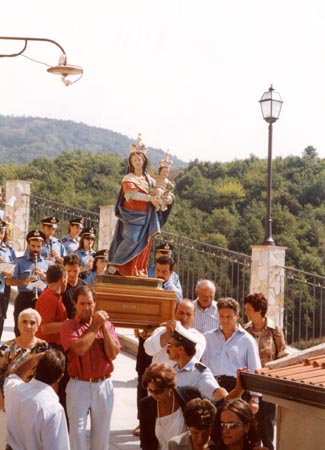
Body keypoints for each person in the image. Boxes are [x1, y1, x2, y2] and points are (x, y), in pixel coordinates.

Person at [60, 285, 121, 450]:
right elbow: (79, 349)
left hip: (103, 385)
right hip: (79, 385)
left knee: (101, 436)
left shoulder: (106, 325)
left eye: (90, 303)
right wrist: (95, 326)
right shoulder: (68, 326)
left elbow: (113, 354)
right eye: (82, 304)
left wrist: (104, 328)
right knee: (77, 434)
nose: (87, 308)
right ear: (74, 304)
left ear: (95, 304)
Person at [108, 134, 173, 276]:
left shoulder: (149, 179)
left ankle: (137, 269)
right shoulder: (128, 178)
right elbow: (131, 195)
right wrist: (149, 198)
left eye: (140, 159)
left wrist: (168, 198)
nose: (138, 162)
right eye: (135, 159)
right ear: (131, 162)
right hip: (132, 216)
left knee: (145, 243)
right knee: (132, 239)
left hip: (147, 216)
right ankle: (117, 264)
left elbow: (159, 191)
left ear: (144, 162)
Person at [244, 293, 289, 450]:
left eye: (249, 309)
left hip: (268, 385)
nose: (246, 312)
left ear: (258, 310)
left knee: (267, 424)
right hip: (250, 384)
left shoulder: (274, 330)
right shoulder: (245, 330)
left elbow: (283, 357)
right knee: (251, 424)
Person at [201, 298, 262, 413]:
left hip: (236, 389)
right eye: (221, 316)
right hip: (211, 388)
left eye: (229, 317)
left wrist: (255, 399)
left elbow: (255, 369)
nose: (225, 320)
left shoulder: (247, 340)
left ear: (237, 316)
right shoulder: (207, 338)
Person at [4, 348, 70, 450]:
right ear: (60, 377)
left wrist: (34, 359)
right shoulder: (53, 409)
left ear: (36, 368)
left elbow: (13, 376)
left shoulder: (14, 390)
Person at [167, 323, 243, 403]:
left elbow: (222, 397)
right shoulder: (174, 370)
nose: (167, 349)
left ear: (180, 349)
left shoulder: (200, 374)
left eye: (170, 345)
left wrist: (238, 390)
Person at [139, 362, 202, 450]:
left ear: (169, 386)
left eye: (157, 391)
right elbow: (146, 442)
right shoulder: (145, 405)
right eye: (150, 390)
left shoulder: (190, 396)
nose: (154, 395)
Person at [0, 308, 48, 410]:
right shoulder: (7, 347)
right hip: (9, 401)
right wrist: (1, 400)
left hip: (34, 403)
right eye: (24, 322)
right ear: (18, 325)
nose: (28, 326)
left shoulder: (44, 347)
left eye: (32, 323)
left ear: (37, 327)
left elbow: (48, 377)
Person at [7, 230, 53, 336]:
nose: (36, 249)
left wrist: (44, 276)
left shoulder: (48, 263)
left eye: (38, 246)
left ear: (42, 246)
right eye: (33, 246)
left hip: (42, 298)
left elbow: (55, 284)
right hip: (24, 298)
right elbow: (8, 281)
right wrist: (25, 281)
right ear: (28, 244)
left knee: (40, 331)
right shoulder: (19, 262)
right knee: (20, 331)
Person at [144, 299, 205, 365]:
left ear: (193, 316)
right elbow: (149, 350)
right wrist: (167, 333)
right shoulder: (162, 330)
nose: (184, 318)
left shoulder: (198, 337)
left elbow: (195, 355)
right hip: (160, 374)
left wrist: (177, 327)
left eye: (188, 314)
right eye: (181, 313)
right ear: (174, 313)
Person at [35, 264, 68, 346]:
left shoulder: (53, 297)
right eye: (67, 280)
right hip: (47, 348)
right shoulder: (49, 298)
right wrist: (70, 324)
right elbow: (45, 328)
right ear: (62, 279)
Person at [62, 254, 86, 319]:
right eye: (69, 271)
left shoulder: (84, 286)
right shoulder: (60, 286)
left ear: (80, 269)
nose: (72, 274)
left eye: (75, 271)